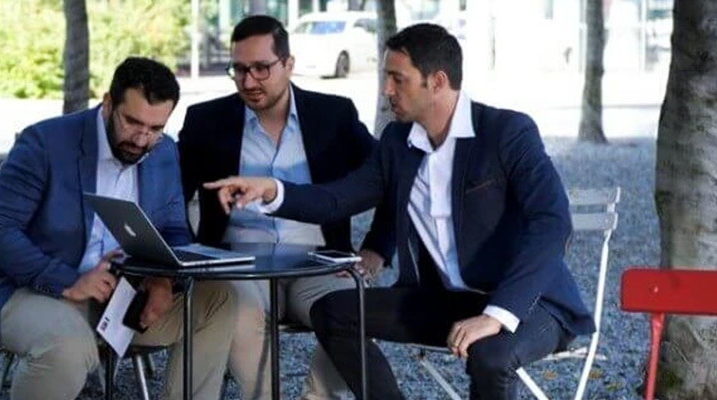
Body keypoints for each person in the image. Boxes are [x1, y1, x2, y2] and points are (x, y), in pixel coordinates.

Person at [204, 24, 593, 400]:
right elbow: (339, 198)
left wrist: (497, 314)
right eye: (385, 77)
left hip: (529, 303)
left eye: (397, 79)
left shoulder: (506, 131)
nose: (386, 89)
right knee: (333, 312)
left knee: (489, 356)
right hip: (446, 300)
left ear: (437, 82)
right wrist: (273, 191)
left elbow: (553, 222)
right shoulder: (397, 141)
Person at [0, 57, 237, 400]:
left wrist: (164, 279)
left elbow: (173, 230)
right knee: (66, 345)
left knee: (219, 299)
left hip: (121, 299)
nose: (141, 139)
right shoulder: (45, 144)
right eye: (132, 122)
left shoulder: (163, 152)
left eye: (155, 129)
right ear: (108, 103)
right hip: (33, 290)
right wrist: (69, 281)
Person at [177, 15, 392, 400]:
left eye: (261, 68)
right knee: (234, 309)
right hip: (239, 264)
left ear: (288, 64)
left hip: (320, 262)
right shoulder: (206, 121)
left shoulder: (334, 115)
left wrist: (377, 248)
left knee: (355, 306)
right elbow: (170, 195)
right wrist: (191, 255)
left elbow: (391, 179)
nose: (248, 81)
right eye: (239, 70)